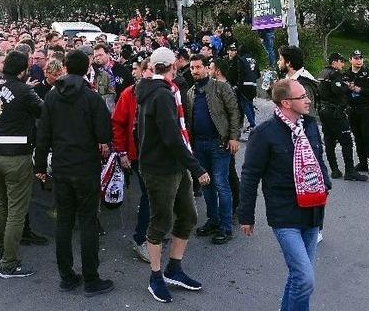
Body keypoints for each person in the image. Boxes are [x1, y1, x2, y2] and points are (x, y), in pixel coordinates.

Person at [239, 79, 331, 311]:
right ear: (286, 103)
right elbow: (250, 176)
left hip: (313, 211)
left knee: (298, 276)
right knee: (304, 278)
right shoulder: (264, 133)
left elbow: (319, 159)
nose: (308, 100)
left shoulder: (309, 125)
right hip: (285, 214)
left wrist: (325, 183)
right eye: (303, 97)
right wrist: (246, 215)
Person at [35, 50, 114, 297]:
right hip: (85, 166)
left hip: (61, 166)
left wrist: (39, 167)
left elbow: (43, 134)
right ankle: (91, 278)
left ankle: (67, 276)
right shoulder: (91, 98)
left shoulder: (52, 96)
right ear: (86, 66)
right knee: (88, 221)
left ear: (66, 66)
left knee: (64, 222)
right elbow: (104, 134)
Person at [136, 47, 210, 303]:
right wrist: (196, 167)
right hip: (160, 169)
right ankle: (155, 277)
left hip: (173, 166)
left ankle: (174, 269)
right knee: (160, 223)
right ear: (173, 67)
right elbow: (171, 137)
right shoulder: (161, 95)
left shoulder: (162, 92)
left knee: (188, 216)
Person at [0, 50, 44, 279]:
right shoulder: (23, 90)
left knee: (1, 203)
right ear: (22, 70)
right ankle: (9, 264)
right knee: (17, 211)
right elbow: (43, 110)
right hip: (15, 156)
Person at [184, 55, 241, 245]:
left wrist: (233, 137)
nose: (195, 71)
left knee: (220, 184)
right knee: (206, 184)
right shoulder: (191, 92)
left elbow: (234, 112)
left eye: (198, 67)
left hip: (219, 143)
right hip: (199, 145)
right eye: (192, 68)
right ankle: (213, 220)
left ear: (207, 68)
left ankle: (226, 227)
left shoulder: (220, 87)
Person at [111, 57, 153, 263]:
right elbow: (118, 124)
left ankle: (149, 235)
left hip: (157, 155)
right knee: (149, 194)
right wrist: (121, 152)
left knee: (153, 195)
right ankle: (140, 238)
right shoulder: (129, 93)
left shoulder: (164, 92)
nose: (151, 73)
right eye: (149, 69)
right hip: (137, 154)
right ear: (141, 71)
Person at [317, 53, 367, 181]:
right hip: (335, 111)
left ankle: (334, 170)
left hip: (323, 110)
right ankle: (350, 171)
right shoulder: (334, 74)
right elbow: (337, 90)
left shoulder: (322, 73)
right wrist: (348, 87)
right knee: (346, 141)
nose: (343, 64)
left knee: (329, 140)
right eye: (341, 61)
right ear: (334, 62)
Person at [344, 50, 369, 174]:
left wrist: (361, 90)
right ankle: (363, 162)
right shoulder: (346, 75)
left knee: (367, 136)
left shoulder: (368, 73)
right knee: (358, 137)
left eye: (360, 58)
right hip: (352, 110)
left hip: (366, 109)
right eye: (356, 58)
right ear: (350, 60)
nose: (359, 60)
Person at [277, 46, 319, 119]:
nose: (278, 62)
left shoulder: (303, 84)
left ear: (288, 63)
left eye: (280, 59)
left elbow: (308, 114)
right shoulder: (289, 79)